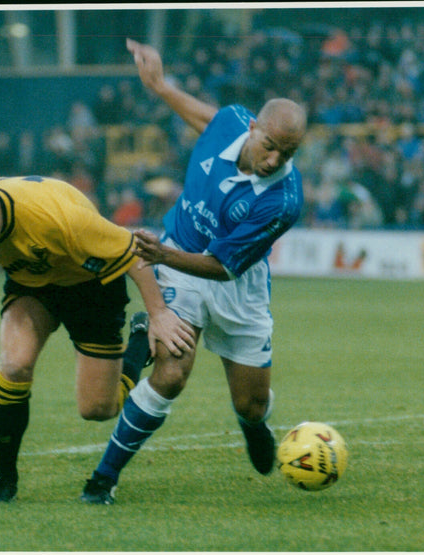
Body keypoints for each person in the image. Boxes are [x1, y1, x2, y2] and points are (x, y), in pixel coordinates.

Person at [80, 39, 307, 504]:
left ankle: (254, 426)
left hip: (233, 284)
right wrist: (161, 86)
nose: (273, 160)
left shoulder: (281, 201)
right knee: (171, 375)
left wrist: (158, 256)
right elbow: (206, 118)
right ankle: (103, 479)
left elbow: (222, 267)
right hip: (180, 262)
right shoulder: (231, 121)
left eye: (286, 154)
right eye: (269, 146)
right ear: (253, 128)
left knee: (251, 403)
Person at [0, 163, 195, 503]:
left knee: (98, 409)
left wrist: (159, 314)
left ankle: (138, 341)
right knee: (14, 365)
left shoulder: (55, 215)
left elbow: (133, 251)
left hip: (92, 285)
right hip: (32, 285)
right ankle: (3, 482)